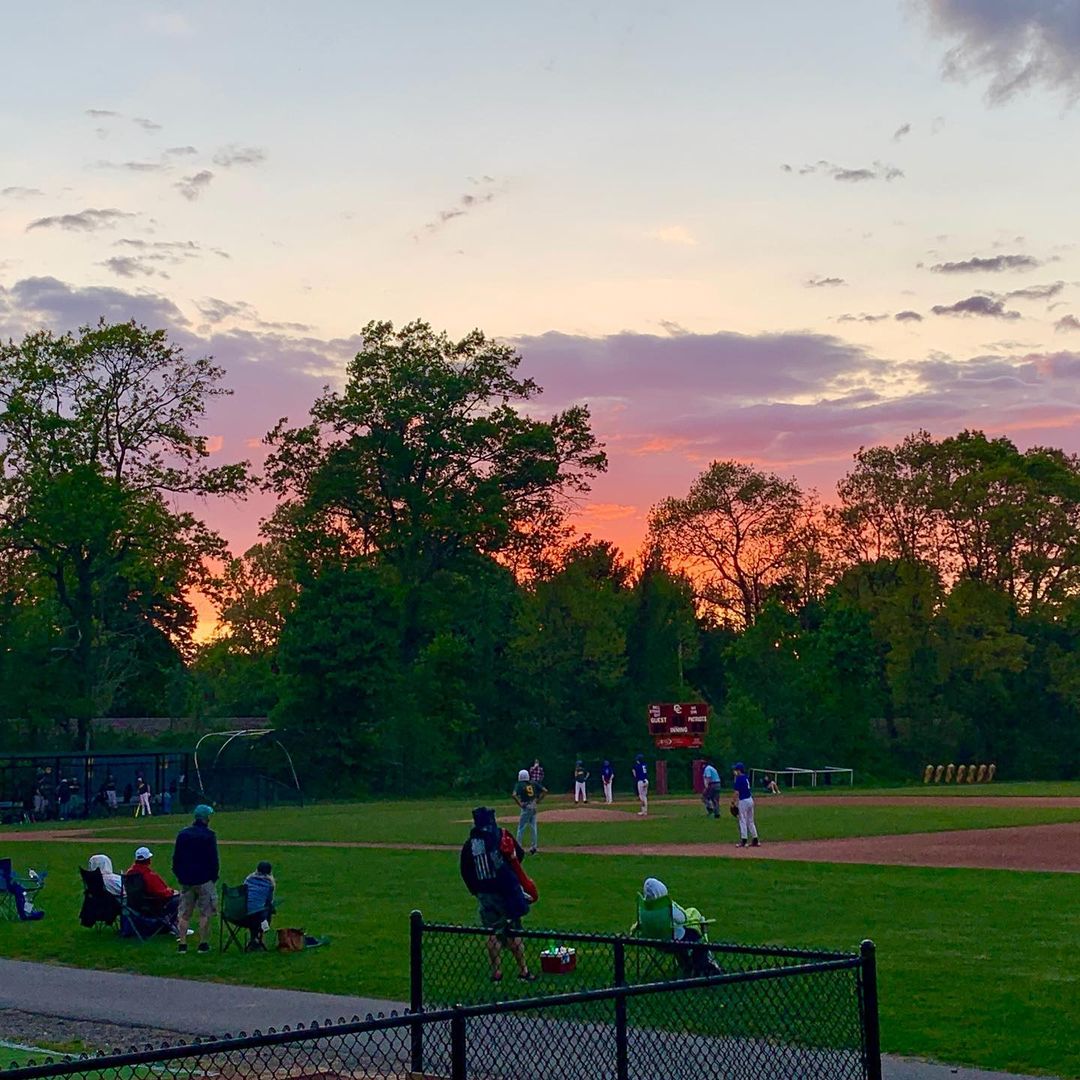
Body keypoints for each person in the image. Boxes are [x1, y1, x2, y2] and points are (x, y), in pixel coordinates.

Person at [459, 807, 537, 983]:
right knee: (514, 931)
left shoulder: (470, 844)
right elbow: (519, 856)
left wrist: (476, 890)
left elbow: (465, 870)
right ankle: (523, 971)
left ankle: (496, 972)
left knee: (492, 932)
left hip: (485, 894)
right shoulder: (502, 834)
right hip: (507, 892)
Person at [639, 877, 718, 976]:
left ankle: (687, 965)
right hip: (674, 942)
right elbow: (683, 918)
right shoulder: (666, 905)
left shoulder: (643, 908)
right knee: (697, 938)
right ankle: (703, 968)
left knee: (682, 935)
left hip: (654, 942)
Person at [172, 804, 219, 953]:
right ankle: (203, 944)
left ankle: (183, 944)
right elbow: (213, 859)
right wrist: (213, 876)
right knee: (205, 913)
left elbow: (176, 858)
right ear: (206, 818)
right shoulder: (209, 835)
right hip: (204, 879)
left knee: (184, 914)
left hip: (186, 879)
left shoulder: (183, 834)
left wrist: (180, 874)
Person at [125, 846, 181, 923]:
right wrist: (172, 892)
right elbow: (161, 892)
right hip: (151, 906)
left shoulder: (129, 874)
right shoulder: (148, 875)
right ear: (148, 860)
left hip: (134, 906)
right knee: (180, 898)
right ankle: (174, 925)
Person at [242, 860, 276, 951]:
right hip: (258, 915)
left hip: (241, 915)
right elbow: (269, 900)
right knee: (268, 910)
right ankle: (258, 938)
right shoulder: (270, 883)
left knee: (255, 910)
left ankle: (254, 939)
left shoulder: (249, 879)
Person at [512, 768, 545, 855]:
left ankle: (518, 847)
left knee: (521, 827)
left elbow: (514, 795)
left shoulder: (520, 784)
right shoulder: (533, 783)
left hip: (526, 806)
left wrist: (520, 804)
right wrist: (539, 800)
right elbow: (545, 791)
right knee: (533, 827)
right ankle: (534, 847)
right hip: (533, 805)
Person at [730, 762, 760, 847]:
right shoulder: (745, 777)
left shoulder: (739, 779)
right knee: (750, 821)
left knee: (742, 820)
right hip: (750, 800)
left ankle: (744, 840)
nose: (734, 771)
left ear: (739, 771)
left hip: (743, 801)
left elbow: (736, 792)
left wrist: (733, 802)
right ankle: (755, 840)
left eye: (736, 770)